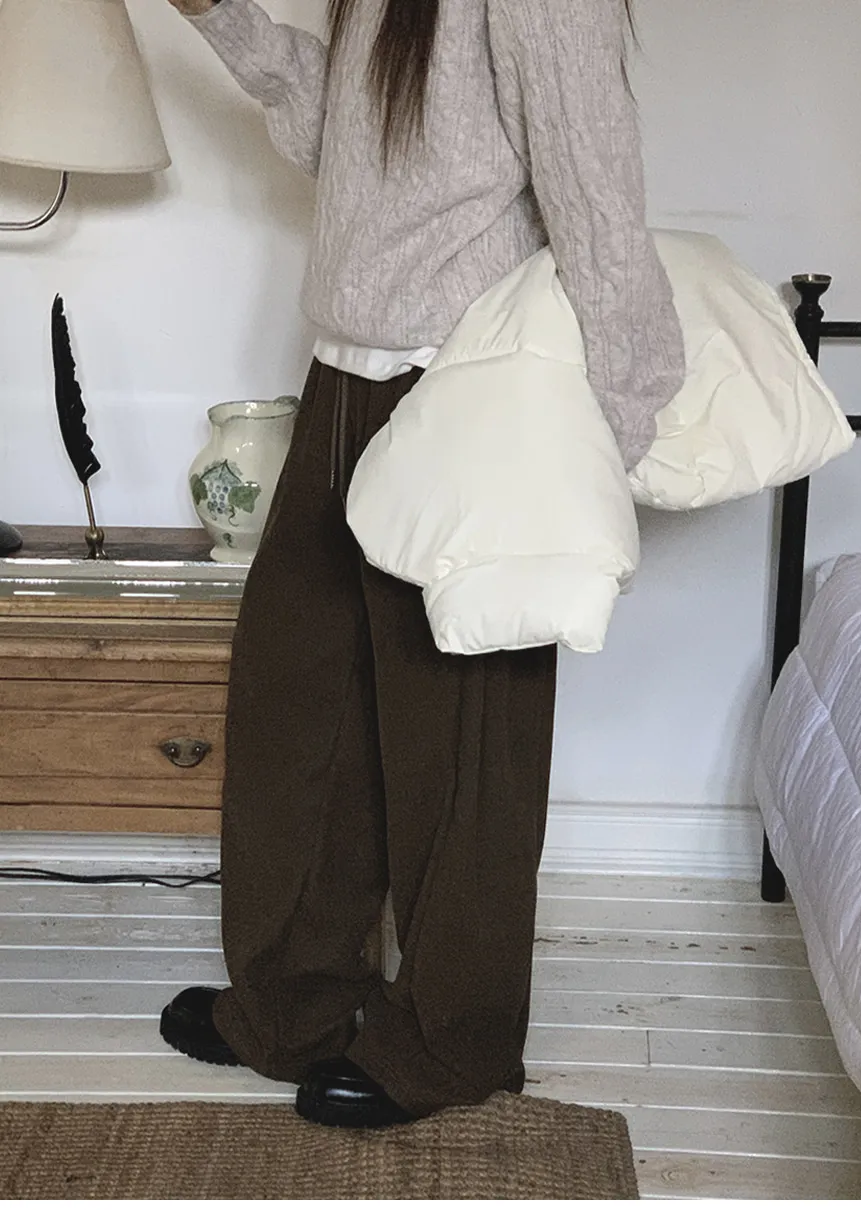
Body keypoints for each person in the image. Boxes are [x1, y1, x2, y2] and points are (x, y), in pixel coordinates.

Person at [159, 0, 685, 1130]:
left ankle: (453, 1040)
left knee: (462, 742)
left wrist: (615, 433)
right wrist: (223, 16)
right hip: (345, 377)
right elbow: (347, 142)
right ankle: (292, 1003)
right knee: (303, 708)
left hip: (467, 386)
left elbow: (596, 194)